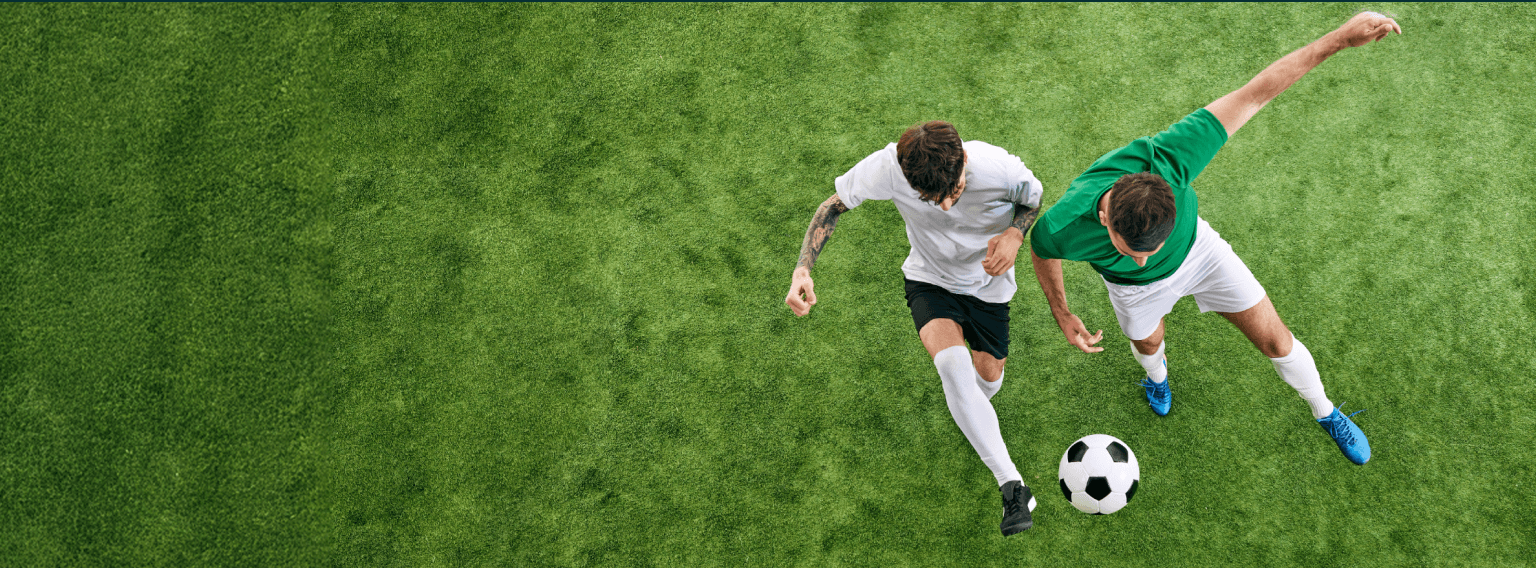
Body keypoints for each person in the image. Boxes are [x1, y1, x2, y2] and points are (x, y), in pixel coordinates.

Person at [1028, 12, 1402, 465]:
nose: (1143, 260)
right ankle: (1157, 376)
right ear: (1105, 220)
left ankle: (1325, 411)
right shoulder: (1064, 224)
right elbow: (1041, 249)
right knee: (1147, 343)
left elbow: (1256, 93)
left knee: (1277, 341)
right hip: (1131, 291)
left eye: (1150, 250)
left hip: (1201, 255)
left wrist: (1340, 39)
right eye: (1132, 251)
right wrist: (1062, 311)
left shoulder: (1171, 157)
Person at [784, 121, 1044, 535]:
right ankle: (1013, 486)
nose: (943, 208)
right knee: (953, 370)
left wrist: (1015, 232)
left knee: (988, 380)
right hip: (930, 281)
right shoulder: (888, 167)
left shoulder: (1001, 170)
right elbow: (832, 206)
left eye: (953, 193)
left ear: (964, 163)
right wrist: (803, 269)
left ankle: (974, 415)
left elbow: (1034, 200)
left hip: (989, 288)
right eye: (930, 199)